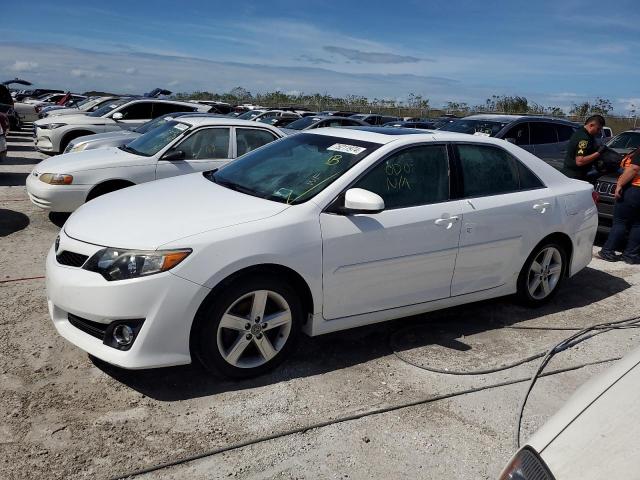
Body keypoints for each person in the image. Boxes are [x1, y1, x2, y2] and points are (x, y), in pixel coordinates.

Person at [599, 148, 640, 264]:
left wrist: (619, 184)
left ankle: (607, 251)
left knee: (620, 221)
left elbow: (634, 168)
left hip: (634, 188)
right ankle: (631, 254)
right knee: (638, 224)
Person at [562, 114, 607, 181]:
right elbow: (580, 161)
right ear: (591, 125)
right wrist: (598, 153)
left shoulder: (581, 132)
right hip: (574, 177)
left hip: (572, 174)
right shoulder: (584, 139)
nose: (599, 132)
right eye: (598, 129)